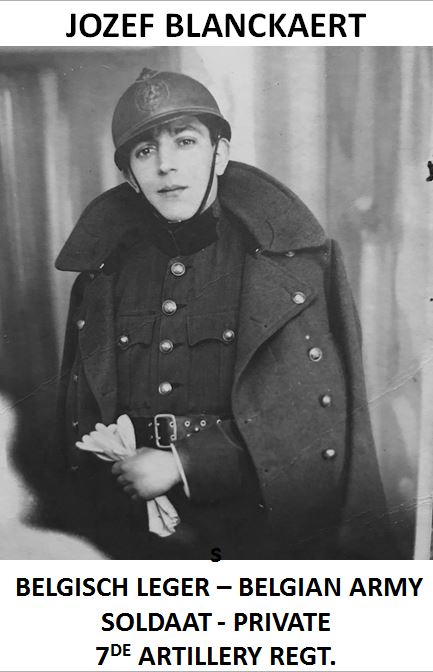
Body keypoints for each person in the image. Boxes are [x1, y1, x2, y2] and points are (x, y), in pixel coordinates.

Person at [55, 67, 397, 559]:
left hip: (259, 533)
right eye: (145, 151)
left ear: (220, 155)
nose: (166, 165)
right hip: (128, 531)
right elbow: (77, 420)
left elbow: (313, 421)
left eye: (186, 141)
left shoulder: (291, 270)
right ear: (129, 174)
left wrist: (183, 463)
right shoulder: (101, 278)